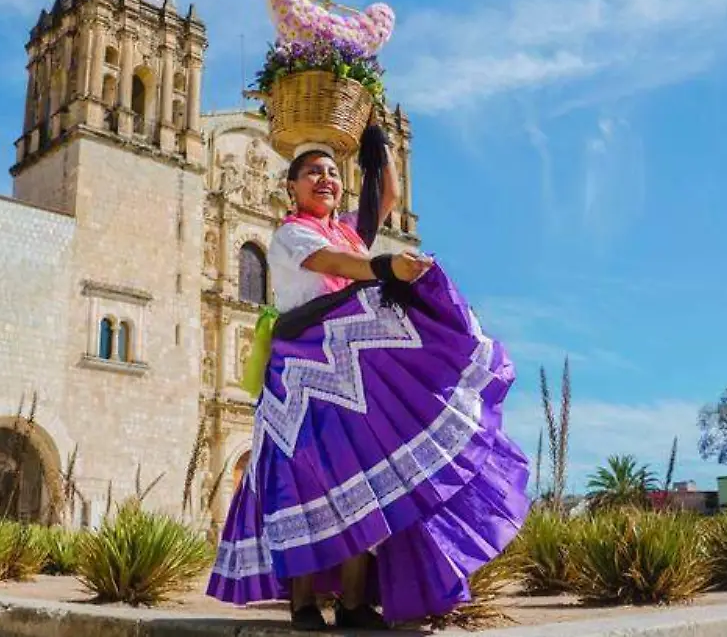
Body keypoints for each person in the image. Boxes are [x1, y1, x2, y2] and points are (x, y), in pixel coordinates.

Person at [207, 127, 530, 631]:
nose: (326, 179)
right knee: (306, 484)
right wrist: (384, 265)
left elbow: (388, 199)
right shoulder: (294, 234)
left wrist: (378, 151)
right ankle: (304, 605)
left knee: (362, 482)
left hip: (348, 371)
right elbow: (336, 264)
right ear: (291, 186)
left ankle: (355, 604)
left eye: (334, 172)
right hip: (300, 379)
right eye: (313, 171)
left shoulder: (347, 231)